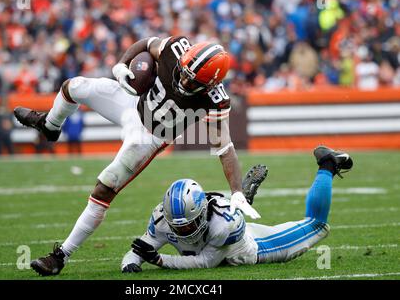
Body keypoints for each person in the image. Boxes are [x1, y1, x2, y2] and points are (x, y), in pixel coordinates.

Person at [13, 36, 256, 276]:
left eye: (191, 82)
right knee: (74, 86)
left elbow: (225, 148)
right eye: (183, 72)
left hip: (149, 137)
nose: (183, 80)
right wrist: (121, 64)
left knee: (104, 189)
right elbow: (147, 44)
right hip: (133, 103)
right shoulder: (176, 48)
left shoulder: (215, 100)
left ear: (209, 85)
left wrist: (236, 192)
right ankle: (50, 125)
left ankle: (59, 257)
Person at [121, 145, 353, 272]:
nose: (183, 231)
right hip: (227, 227)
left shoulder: (222, 226)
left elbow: (204, 262)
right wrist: (130, 263)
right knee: (230, 216)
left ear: (201, 213)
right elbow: (142, 247)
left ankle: (327, 165)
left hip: (252, 248)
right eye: (177, 226)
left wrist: (161, 260)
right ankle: (240, 200)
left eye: (189, 223)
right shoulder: (163, 217)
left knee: (316, 224)